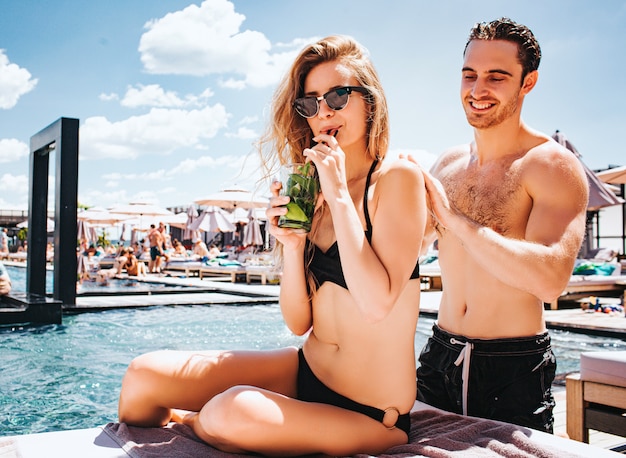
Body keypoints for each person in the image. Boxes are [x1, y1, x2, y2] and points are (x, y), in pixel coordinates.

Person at [118, 35, 427, 456]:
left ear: (369, 102)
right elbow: (299, 323)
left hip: (369, 411)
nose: (324, 113)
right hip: (306, 372)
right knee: (143, 376)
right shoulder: (313, 191)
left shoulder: (396, 180)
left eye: (338, 96)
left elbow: (376, 305)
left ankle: (196, 422)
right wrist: (293, 245)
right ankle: (199, 423)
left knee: (229, 413)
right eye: (310, 103)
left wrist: (338, 195)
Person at [413, 18, 589, 434]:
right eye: (469, 75)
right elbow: (410, 247)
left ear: (528, 82)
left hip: (511, 365)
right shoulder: (448, 163)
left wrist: (455, 220)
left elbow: (550, 278)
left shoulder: (550, 165)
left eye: (497, 76)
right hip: (439, 350)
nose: (478, 90)